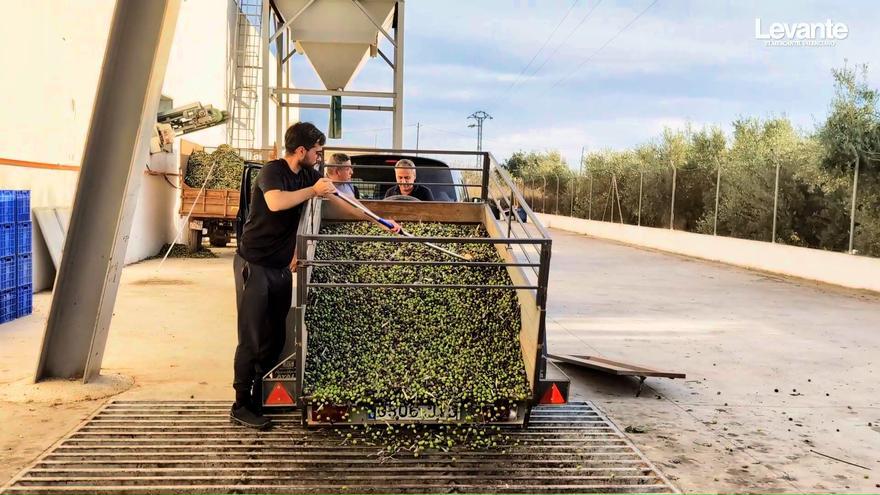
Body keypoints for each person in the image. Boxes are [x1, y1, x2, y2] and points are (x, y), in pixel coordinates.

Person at [232, 122, 399, 429]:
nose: (320, 157)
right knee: (252, 337)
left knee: (276, 335)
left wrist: (380, 221)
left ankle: (259, 397)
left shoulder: (310, 174)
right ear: (301, 151)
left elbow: (343, 202)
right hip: (253, 264)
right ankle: (241, 403)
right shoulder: (273, 171)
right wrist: (312, 190)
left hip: (280, 267)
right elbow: (276, 202)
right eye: (317, 151)